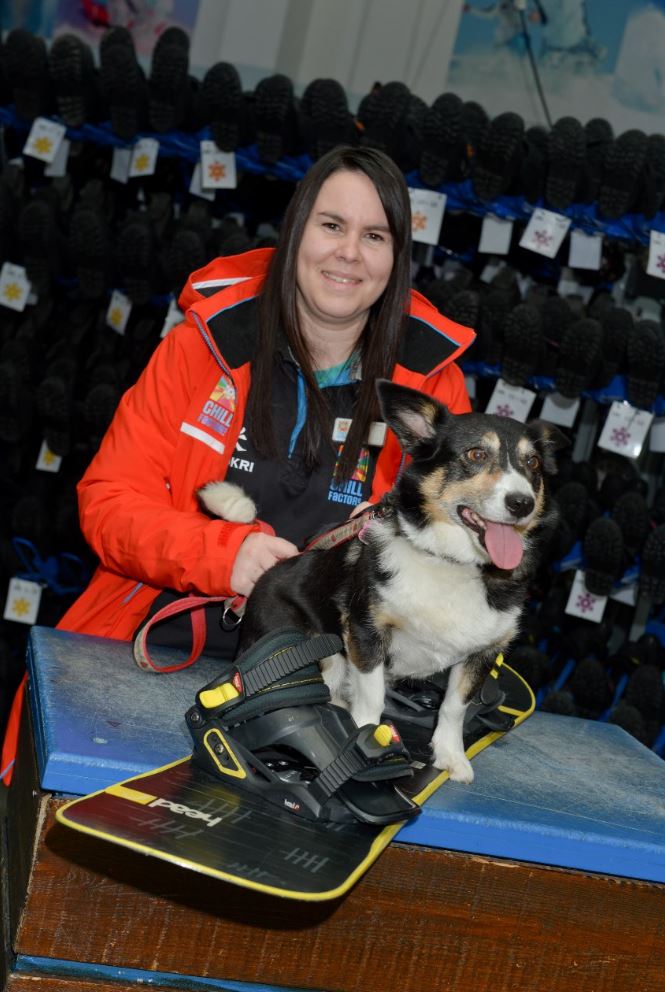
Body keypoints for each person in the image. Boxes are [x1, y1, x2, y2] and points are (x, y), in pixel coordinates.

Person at [1, 145, 474, 784]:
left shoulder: (433, 390)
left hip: (332, 687)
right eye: (331, 226)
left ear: (397, 259)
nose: (349, 254)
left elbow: (463, 552)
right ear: (296, 231)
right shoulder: (201, 349)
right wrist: (226, 558)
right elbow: (108, 500)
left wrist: (401, 548)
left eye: (374, 236)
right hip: (160, 650)